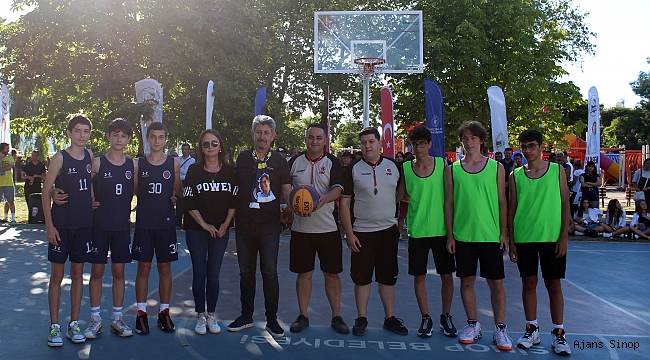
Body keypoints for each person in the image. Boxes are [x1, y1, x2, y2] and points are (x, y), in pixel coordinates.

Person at [444, 121, 512, 351]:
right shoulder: (452, 169)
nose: (469, 141)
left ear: (481, 140)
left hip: (490, 235)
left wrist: (504, 233)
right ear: (461, 141)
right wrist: (450, 236)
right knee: (466, 282)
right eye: (465, 138)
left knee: (496, 283)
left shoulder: (497, 167)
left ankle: (500, 328)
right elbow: (449, 203)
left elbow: (503, 202)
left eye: (473, 137)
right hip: (463, 235)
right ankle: (473, 324)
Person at [508, 130, 571, 356]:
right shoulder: (515, 175)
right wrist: (512, 240)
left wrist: (563, 236)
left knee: (554, 285)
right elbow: (512, 208)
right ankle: (531, 328)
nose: (527, 150)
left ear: (541, 147)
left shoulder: (557, 171)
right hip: (525, 238)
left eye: (532, 145)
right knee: (528, 284)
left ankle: (558, 333)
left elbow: (565, 205)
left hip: (551, 237)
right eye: (524, 146)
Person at [227, 115, 291, 338]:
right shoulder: (243, 158)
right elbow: (234, 188)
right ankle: (246, 316)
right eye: (258, 132)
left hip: (269, 226)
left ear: (273, 136)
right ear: (252, 134)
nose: (262, 136)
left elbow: (286, 190)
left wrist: (292, 207)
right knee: (246, 272)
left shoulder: (281, 161)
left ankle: (271, 319)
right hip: (244, 224)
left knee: (269, 273)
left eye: (266, 133)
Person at [340, 127, 407, 337]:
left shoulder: (394, 166)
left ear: (380, 143)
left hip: (387, 232)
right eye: (363, 143)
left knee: (387, 278)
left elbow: (401, 193)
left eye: (371, 141)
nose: (367, 146)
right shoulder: (352, 169)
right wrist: (349, 234)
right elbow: (344, 203)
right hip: (362, 232)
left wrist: (389, 211)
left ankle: (390, 318)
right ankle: (361, 318)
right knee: (362, 279)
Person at [287, 123, 348, 334]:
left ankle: (337, 316)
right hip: (301, 229)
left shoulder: (333, 162)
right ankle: (303, 315)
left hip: (327, 230)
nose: (314, 141)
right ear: (305, 139)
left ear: (325, 140)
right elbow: (287, 188)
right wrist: (293, 204)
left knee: (332, 274)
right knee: (304, 274)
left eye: (318, 138)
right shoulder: (294, 162)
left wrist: (322, 200)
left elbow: (339, 189)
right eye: (310, 137)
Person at [42, 114, 94, 346]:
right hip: (61, 225)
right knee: (57, 276)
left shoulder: (90, 157)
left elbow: (90, 184)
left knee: (77, 275)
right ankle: (54, 326)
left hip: (83, 226)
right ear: (69, 133)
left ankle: (74, 323)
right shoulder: (59, 158)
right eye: (78, 131)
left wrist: (92, 199)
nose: (82, 135)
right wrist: (49, 226)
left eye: (86, 131)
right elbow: (45, 192)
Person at [83, 119, 137, 339]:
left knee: (119, 272)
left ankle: (117, 318)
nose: (118, 139)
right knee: (97, 272)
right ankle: (95, 319)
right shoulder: (97, 163)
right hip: (99, 226)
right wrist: (89, 199)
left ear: (128, 139)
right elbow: (78, 184)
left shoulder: (132, 165)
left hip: (121, 227)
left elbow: (140, 190)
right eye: (115, 134)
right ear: (108, 136)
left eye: (123, 135)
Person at [403, 125, 457, 338]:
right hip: (417, 232)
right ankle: (425, 317)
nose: (418, 148)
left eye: (422, 143)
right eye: (414, 144)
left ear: (429, 144)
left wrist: (452, 234)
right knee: (419, 277)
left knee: (447, 276)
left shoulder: (443, 165)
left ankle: (446, 315)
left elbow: (450, 201)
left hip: (441, 231)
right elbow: (398, 195)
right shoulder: (406, 168)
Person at [183, 129, 237, 335]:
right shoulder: (194, 171)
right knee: (200, 271)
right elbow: (188, 200)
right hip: (197, 229)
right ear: (201, 148)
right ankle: (200, 316)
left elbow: (234, 201)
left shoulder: (230, 172)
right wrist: (204, 224)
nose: (210, 147)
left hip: (221, 231)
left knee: (214, 273)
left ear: (220, 145)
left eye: (214, 143)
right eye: (206, 144)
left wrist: (226, 224)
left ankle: (212, 315)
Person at [133, 122, 183, 334]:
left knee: (165, 269)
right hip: (144, 223)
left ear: (165, 139)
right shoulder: (138, 164)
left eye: (160, 137)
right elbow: (133, 191)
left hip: (165, 224)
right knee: (143, 269)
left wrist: (175, 195)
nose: (156, 141)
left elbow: (178, 192)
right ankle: (141, 313)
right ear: (147, 139)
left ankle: (164, 312)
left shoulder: (174, 164)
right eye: (152, 137)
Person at [176, 143, 196, 230]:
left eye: (186, 149)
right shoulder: (178, 159)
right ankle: (178, 223)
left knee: (187, 202)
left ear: (189, 150)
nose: (184, 151)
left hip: (186, 182)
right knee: (178, 203)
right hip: (178, 181)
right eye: (183, 149)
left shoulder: (192, 160)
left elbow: (188, 171)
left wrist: (177, 169)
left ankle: (186, 223)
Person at [0, 143, 16, 224]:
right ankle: (4, 217)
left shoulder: (9, 157)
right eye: (6, 148)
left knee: (10, 201)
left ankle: (13, 218)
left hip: (8, 183)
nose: (8, 150)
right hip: (0, 183)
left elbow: (9, 166)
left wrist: (1, 169)